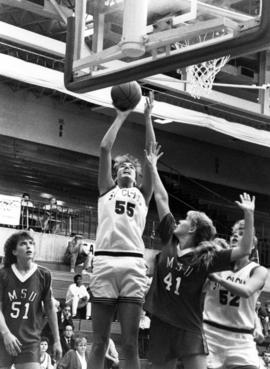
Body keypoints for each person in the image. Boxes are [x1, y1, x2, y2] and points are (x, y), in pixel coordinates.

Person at [143, 143, 255, 369]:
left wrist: (249, 215)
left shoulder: (206, 258)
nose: (180, 220)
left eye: (185, 219)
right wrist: (153, 167)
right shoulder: (170, 239)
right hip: (162, 323)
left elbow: (243, 250)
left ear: (192, 229)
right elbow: (162, 199)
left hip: (189, 328)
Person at [87, 93, 156, 369]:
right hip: (104, 260)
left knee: (129, 342)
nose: (127, 166)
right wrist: (123, 114)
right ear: (115, 173)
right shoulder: (107, 190)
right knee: (99, 341)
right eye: (122, 165)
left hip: (132, 264)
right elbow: (105, 148)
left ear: (137, 176)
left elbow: (151, 153)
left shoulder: (143, 194)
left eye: (132, 166)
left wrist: (148, 117)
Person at [203, 219, 268, 369]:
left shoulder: (257, 270)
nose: (234, 236)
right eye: (233, 234)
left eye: (241, 234)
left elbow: (246, 293)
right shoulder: (216, 263)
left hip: (240, 339)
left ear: (251, 246)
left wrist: (257, 325)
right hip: (210, 334)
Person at [0, 230, 62, 369]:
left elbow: (50, 308)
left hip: (29, 341)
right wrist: (6, 334)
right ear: (14, 251)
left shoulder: (44, 274)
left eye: (31, 243)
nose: (29, 246)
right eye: (23, 244)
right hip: (3, 337)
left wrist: (57, 340)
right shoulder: (3, 274)